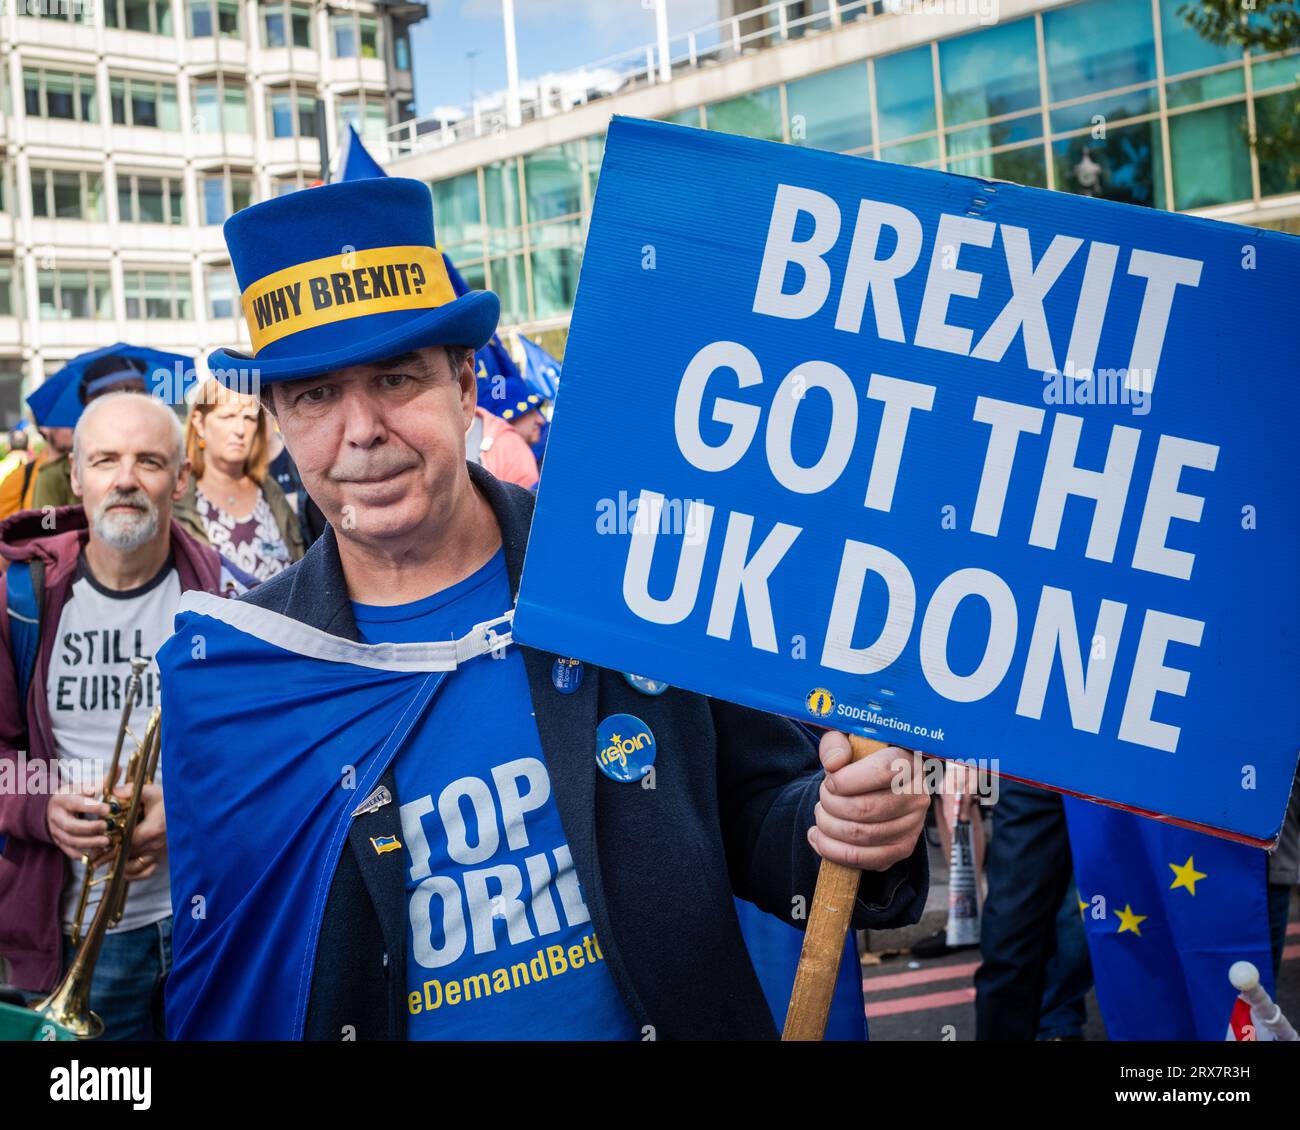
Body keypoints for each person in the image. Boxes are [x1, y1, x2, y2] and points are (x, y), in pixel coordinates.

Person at [159, 177, 931, 1040]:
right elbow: (231, 978)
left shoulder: (628, 569)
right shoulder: (256, 672)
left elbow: (764, 812)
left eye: (396, 377)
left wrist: (853, 823)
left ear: (464, 385)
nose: (362, 429)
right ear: (277, 419)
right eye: (314, 395)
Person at [0, 392, 252, 1039]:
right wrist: (43, 804)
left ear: (181, 478)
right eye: (106, 460)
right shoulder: (20, 599)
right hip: (78, 934)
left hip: (207, 920)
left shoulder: (231, 600)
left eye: (148, 461)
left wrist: (188, 809)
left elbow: (263, 758)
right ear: (76, 475)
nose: (125, 480)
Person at [176, 378, 304, 581]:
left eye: (249, 418)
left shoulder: (271, 492)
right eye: (227, 417)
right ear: (199, 423)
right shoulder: (178, 502)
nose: (240, 430)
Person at [32, 354, 149, 513]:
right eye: (126, 392)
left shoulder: (163, 463)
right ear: (91, 401)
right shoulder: (54, 477)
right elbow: (46, 529)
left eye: (143, 393)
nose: (138, 403)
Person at [0, 427, 71, 522]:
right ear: (45, 428)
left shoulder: (84, 472)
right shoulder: (21, 477)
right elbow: (48, 527)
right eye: (63, 419)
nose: (73, 427)